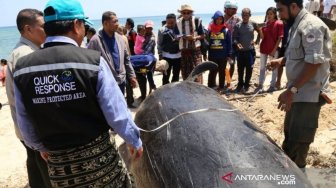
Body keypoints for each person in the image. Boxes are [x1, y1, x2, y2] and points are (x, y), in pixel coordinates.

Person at [13, 0, 143, 186]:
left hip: (59, 170)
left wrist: (40, 147)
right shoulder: (91, 61)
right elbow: (117, 114)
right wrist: (134, 140)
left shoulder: (22, 69)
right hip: (100, 164)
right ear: (76, 25)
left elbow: (24, 122)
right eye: (83, 24)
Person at [269, 0, 331, 170]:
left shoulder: (311, 26)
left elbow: (313, 63)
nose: (279, 15)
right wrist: (281, 61)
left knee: (298, 144)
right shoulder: (297, 24)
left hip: (308, 95)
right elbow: (300, 54)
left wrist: (291, 90)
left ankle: (298, 180)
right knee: (290, 139)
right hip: (297, 93)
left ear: (294, 6)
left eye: (280, 10)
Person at [5, 9, 51, 188]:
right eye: (43, 27)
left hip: (23, 128)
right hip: (32, 128)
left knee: (34, 165)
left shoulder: (22, 51)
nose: (47, 31)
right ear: (28, 29)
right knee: (44, 170)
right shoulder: (27, 55)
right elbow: (33, 101)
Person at [88, 11, 137, 96]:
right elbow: (90, 65)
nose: (117, 24)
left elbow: (126, 59)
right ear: (105, 23)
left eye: (117, 21)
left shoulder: (120, 39)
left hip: (121, 81)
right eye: (114, 21)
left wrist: (132, 76)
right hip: (105, 84)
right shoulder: (95, 41)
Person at [233, 8, 262, 94]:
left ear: (250, 15)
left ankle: (246, 85)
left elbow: (259, 31)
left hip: (250, 51)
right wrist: (237, 44)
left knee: (249, 69)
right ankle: (240, 84)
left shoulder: (253, 23)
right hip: (241, 52)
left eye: (247, 15)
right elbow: (234, 38)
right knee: (240, 69)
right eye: (243, 15)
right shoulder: (238, 25)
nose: (245, 17)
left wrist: (257, 40)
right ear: (241, 15)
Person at [176, 4, 205, 82]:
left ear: (191, 13)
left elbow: (203, 35)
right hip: (184, 50)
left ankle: (199, 90)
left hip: (195, 50)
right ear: (181, 13)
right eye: (184, 13)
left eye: (188, 13)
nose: (186, 14)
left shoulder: (196, 20)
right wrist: (180, 37)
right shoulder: (178, 22)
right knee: (185, 73)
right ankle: (188, 91)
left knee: (197, 71)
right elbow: (176, 35)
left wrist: (194, 38)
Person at [258, 7, 284, 92]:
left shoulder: (279, 23)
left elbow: (280, 38)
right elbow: (262, 37)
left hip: (273, 49)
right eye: (268, 14)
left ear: (275, 14)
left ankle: (272, 85)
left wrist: (274, 50)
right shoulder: (265, 24)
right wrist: (260, 30)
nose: (269, 15)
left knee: (274, 68)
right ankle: (260, 85)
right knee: (262, 67)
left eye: (271, 14)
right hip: (263, 48)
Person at [207, 11, 232, 93]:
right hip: (213, 55)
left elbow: (229, 43)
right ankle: (210, 86)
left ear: (223, 20)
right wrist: (206, 53)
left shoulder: (226, 30)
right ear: (214, 19)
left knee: (222, 71)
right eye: (217, 19)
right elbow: (208, 42)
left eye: (220, 19)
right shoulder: (210, 30)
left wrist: (229, 54)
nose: (219, 21)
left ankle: (221, 86)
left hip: (223, 55)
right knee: (212, 71)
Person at [158, 13, 181, 85]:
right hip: (166, 56)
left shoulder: (179, 29)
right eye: (168, 23)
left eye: (172, 23)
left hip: (178, 56)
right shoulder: (162, 30)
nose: (170, 24)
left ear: (175, 21)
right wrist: (160, 55)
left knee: (176, 75)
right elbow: (159, 43)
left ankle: (174, 90)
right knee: (166, 75)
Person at [223, 0, 241, 88]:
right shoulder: (220, 19)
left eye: (235, 9)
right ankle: (224, 80)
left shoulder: (237, 19)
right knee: (222, 64)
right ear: (226, 9)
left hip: (233, 45)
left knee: (232, 64)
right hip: (222, 45)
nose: (234, 11)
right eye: (232, 9)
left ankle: (228, 81)